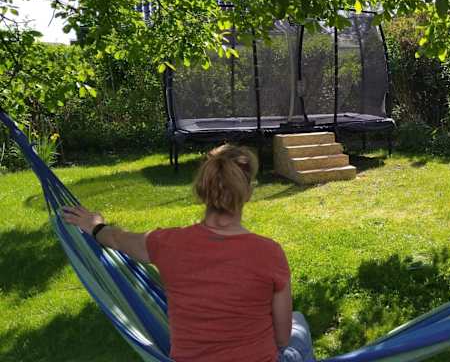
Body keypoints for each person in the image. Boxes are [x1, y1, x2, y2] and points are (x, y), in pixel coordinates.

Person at [62, 144, 315, 362]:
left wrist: (95, 225)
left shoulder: (167, 244)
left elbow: (116, 239)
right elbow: (282, 339)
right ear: (247, 193)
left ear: (202, 191)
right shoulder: (269, 253)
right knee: (298, 322)